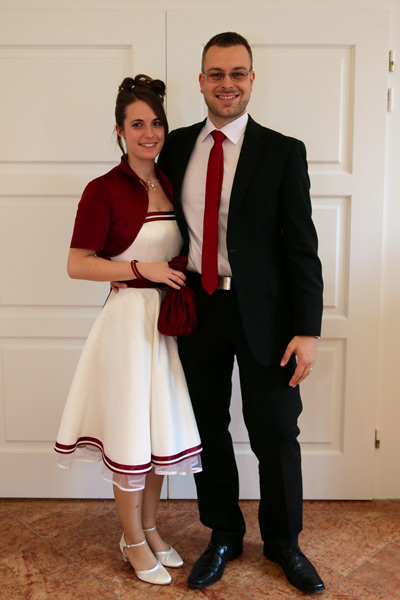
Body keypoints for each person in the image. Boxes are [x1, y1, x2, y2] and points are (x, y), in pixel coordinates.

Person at [156, 32, 325, 594]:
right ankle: (223, 534)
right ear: (201, 81)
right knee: (208, 428)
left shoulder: (283, 152)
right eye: (216, 73)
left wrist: (307, 330)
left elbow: (301, 248)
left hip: (267, 316)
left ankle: (283, 541)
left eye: (236, 73)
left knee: (275, 430)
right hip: (197, 310)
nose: (226, 83)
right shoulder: (176, 147)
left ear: (252, 80)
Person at [54, 74, 202, 587]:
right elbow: (78, 264)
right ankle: (132, 540)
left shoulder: (173, 180)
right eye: (137, 124)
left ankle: (149, 528)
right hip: (128, 326)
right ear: (119, 130)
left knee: (159, 433)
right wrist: (141, 270)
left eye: (156, 122)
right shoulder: (102, 190)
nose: (149, 133)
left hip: (166, 323)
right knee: (131, 436)